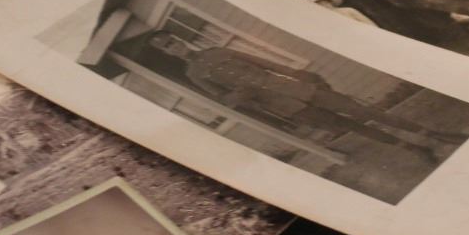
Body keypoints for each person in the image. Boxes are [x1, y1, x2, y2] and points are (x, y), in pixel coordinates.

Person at [146, 33, 443, 159]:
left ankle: (430, 133)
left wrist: (304, 75)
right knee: (349, 126)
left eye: (172, 41)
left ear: (179, 40)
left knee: (365, 112)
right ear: (167, 53)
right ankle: (412, 148)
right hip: (286, 107)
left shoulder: (218, 52)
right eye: (166, 48)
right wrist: (240, 95)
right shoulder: (195, 75)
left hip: (298, 89)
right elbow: (225, 101)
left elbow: (268, 64)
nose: (174, 47)